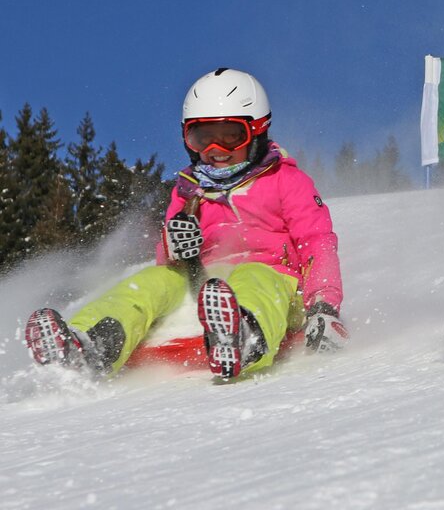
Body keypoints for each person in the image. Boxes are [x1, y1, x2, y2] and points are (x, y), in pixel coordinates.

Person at [25, 68, 345, 379]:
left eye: (230, 136)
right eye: (202, 138)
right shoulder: (188, 190)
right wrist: (175, 247)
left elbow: (317, 241)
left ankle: (243, 338)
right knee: (152, 281)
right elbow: (168, 263)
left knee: (254, 274)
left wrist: (323, 306)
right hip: (206, 289)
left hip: (280, 289)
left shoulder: (286, 181)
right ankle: (90, 344)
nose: (215, 151)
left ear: (257, 131)